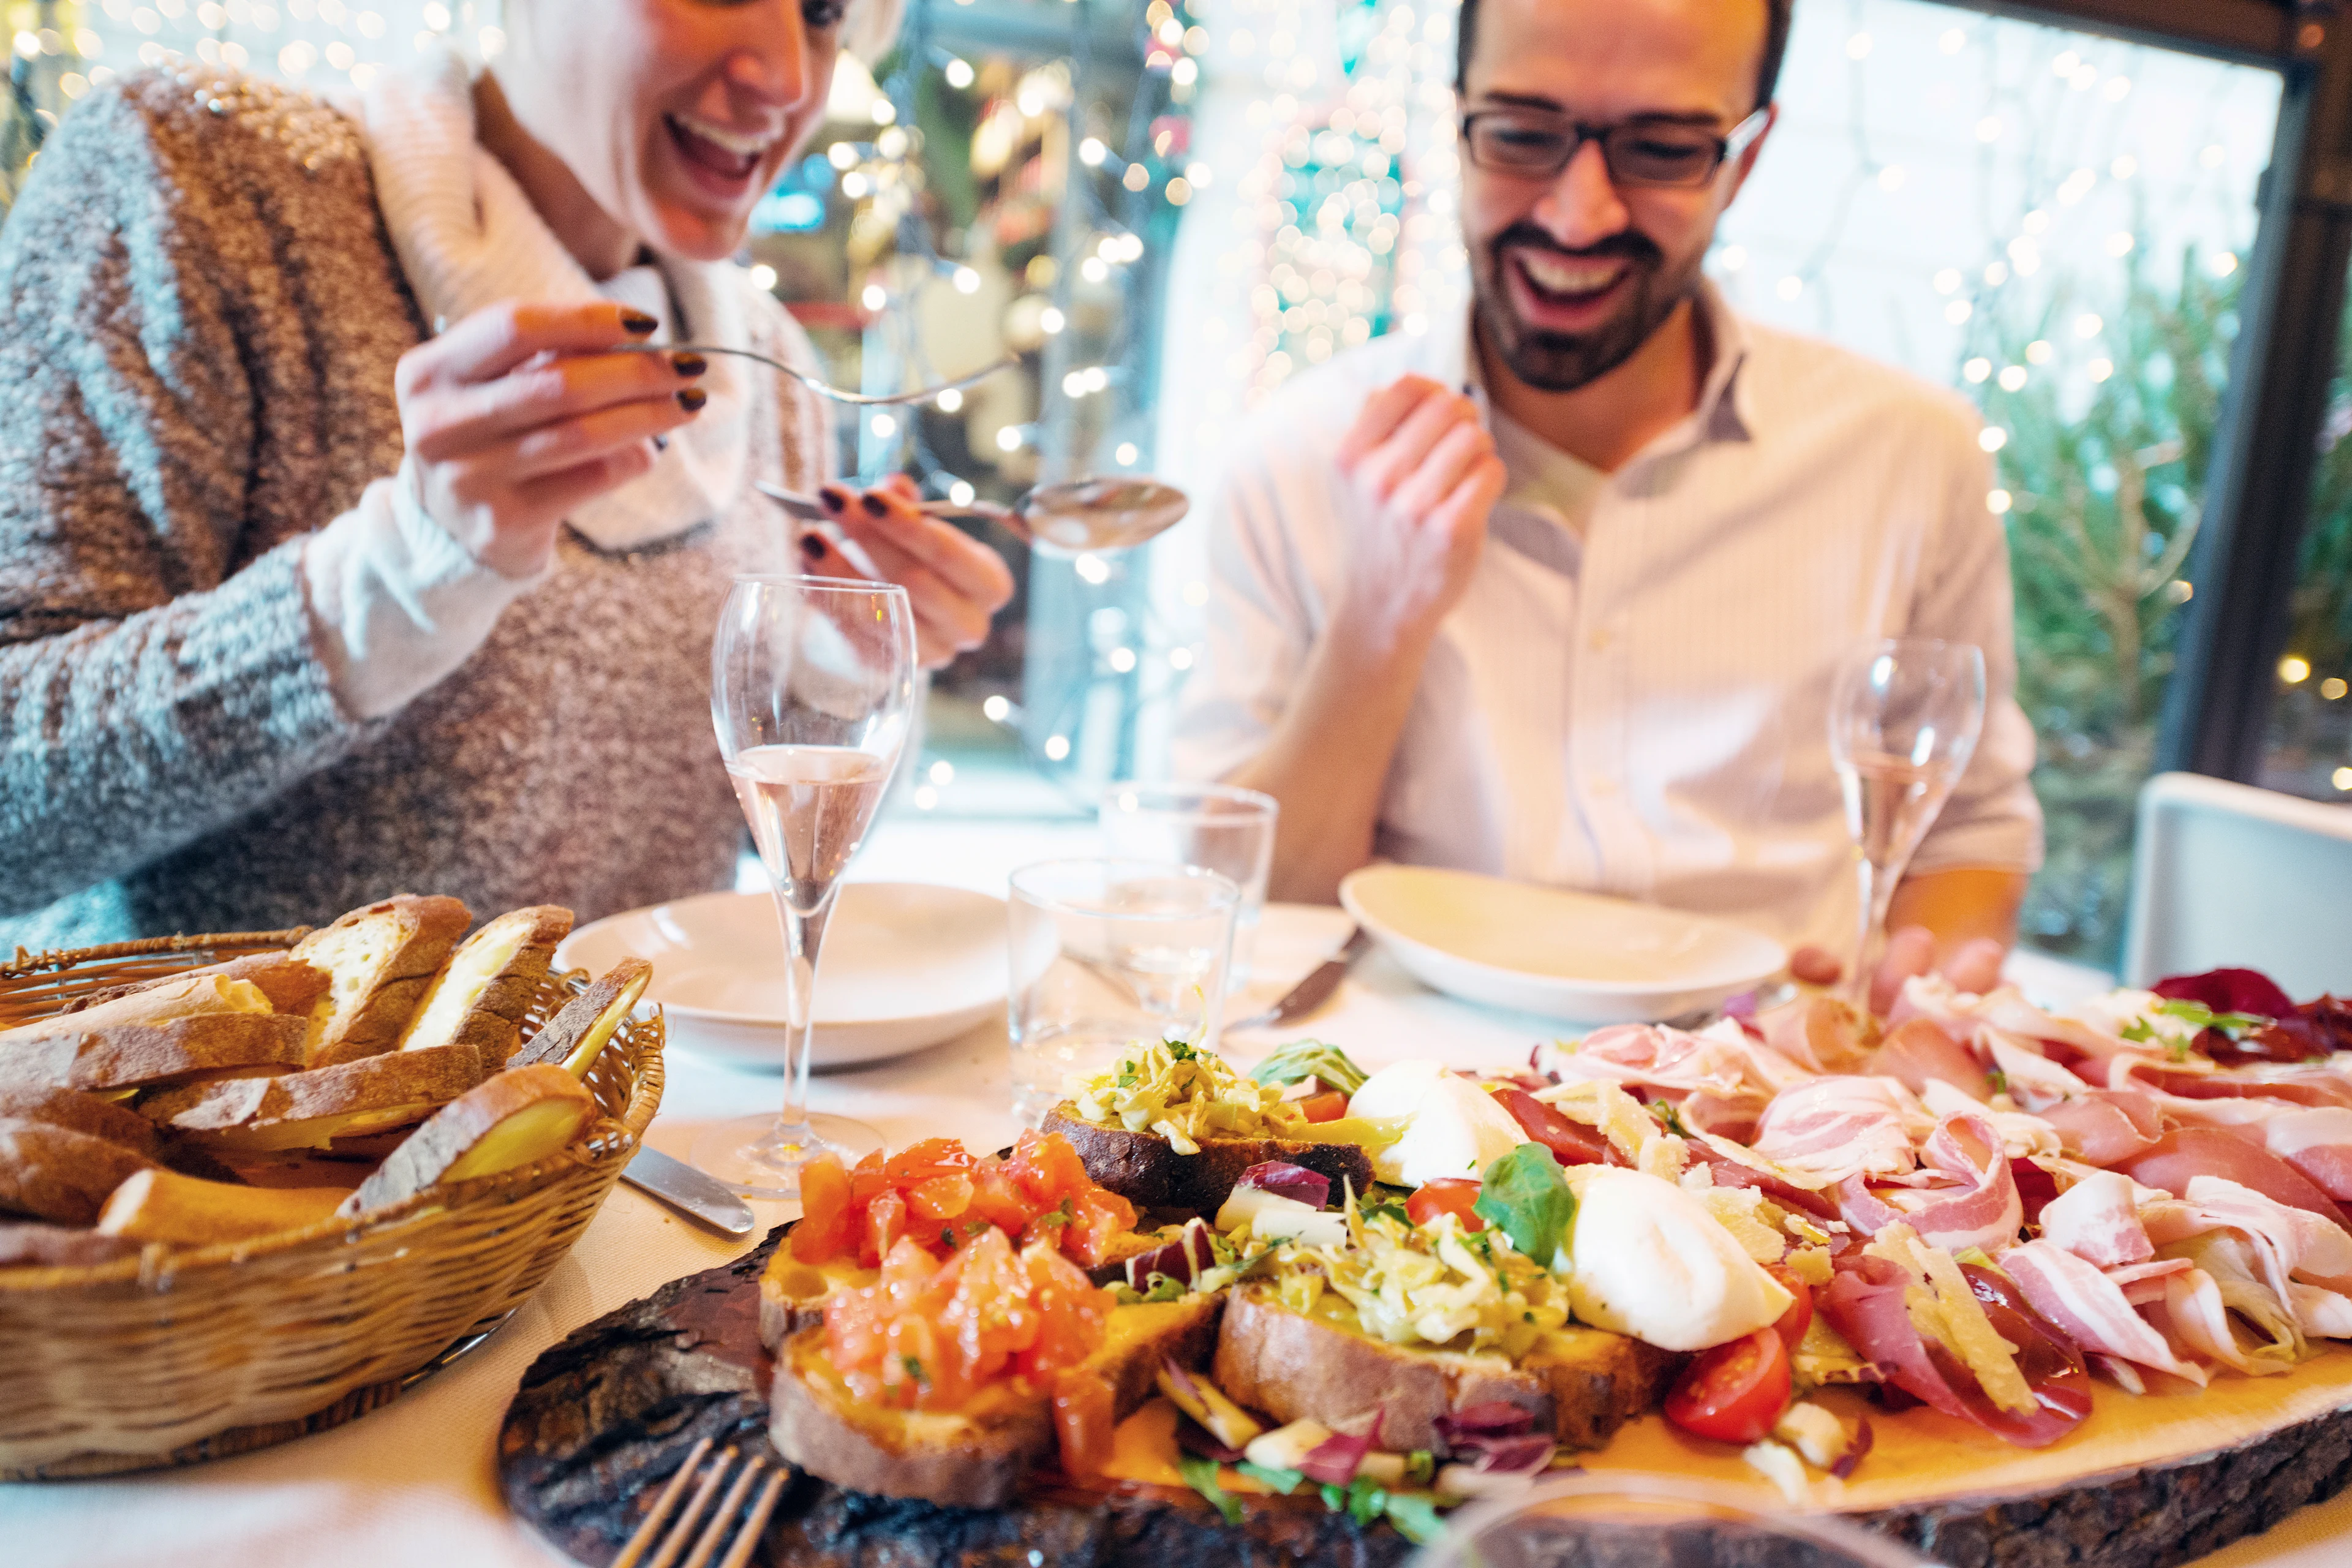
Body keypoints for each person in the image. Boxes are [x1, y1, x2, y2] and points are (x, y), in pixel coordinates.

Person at [0, 0, 1014, 952]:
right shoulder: (200, 181)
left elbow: (760, 853)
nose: (790, 80)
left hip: (631, 1091)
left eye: (825, 10)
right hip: (229, 1093)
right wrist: (391, 582)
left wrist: (834, 680)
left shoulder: (767, 366)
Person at [1171, 0, 2041, 1013]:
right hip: (1403, 1088)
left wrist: (1915, 994)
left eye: (1661, 150)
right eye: (1521, 135)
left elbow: (1970, 833)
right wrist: (1377, 620)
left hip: (1768, 1079)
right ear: (1458, 124)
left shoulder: (1913, 456)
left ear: (1744, 161)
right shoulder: (1298, 458)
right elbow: (1244, 913)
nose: (1577, 216)